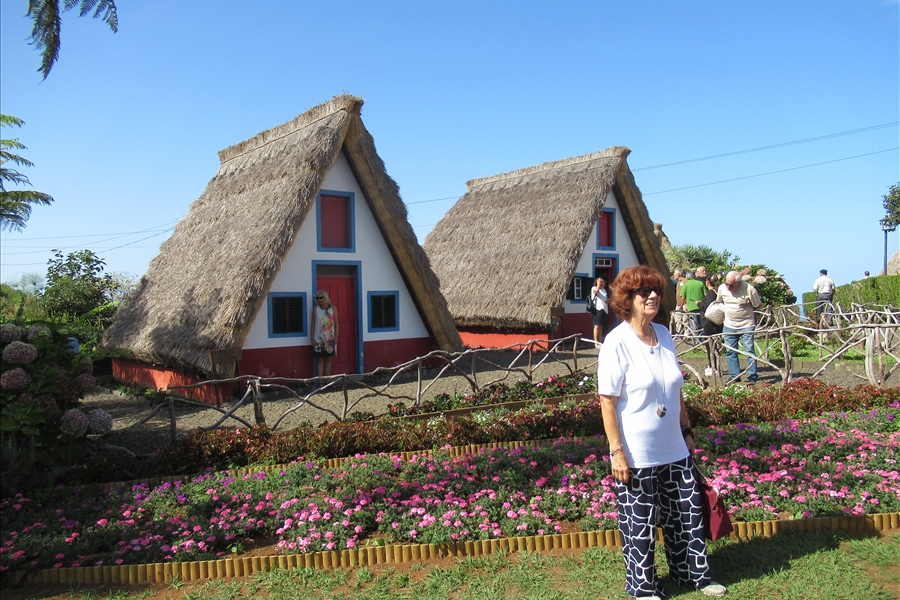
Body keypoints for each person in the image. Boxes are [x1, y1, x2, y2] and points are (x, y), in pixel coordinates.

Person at [596, 265, 727, 599]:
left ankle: (693, 575)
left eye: (657, 290)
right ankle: (643, 587)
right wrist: (616, 451)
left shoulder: (664, 334)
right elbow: (607, 402)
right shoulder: (616, 342)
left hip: (675, 447)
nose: (653, 296)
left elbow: (675, 389)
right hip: (637, 453)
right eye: (644, 292)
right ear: (627, 298)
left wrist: (686, 429)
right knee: (639, 525)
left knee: (686, 517)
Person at [717, 271, 762, 384]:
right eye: (726, 284)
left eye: (731, 285)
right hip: (729, 325)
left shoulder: (749, 289)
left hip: (746, 324)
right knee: (730, 351)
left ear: (738, 282)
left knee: (749, 350)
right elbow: (719, 302)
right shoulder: (722, 288)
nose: (728, 287)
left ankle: (752, 375)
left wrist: (745, 309)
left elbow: (757, 305)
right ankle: (735, 376)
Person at [312, 290, 339, 377]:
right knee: (320, 360)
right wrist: (312, 338)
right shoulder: (316, 309)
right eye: (317, 298)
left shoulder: (332, 308)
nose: (319, 300)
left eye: (321, 297)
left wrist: (336, 336)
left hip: (330, 339)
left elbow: (336, 323)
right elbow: (313, 324)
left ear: (326, 298)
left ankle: (327, 380)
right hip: (319, 339)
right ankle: (320, 381)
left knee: (329, 360)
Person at [679, 270, 706, 340]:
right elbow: (706, 294)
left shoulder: (685, 285)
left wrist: (681, 307)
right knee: (702, 324)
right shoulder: (700, 283)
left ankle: (696, 341)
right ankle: (703, 339)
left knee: (694, 325)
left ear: (687, 277)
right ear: (694, 276)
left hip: (691, 308)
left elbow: (682, 298)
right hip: (701, 307)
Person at [590, 277, 610, 345]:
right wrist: (598, 284)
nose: (603, 283)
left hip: (604, 309)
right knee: (597, 326)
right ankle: (596, 342)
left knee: (601, 326)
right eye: (602, 282)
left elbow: (604, 298)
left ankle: (599, 341)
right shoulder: (594, 288)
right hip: (598, 309)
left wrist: (608, 301)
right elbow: (595, 292)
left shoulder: (604, 290)